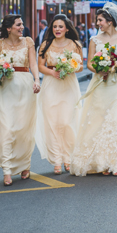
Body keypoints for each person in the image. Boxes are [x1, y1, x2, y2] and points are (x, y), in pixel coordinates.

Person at [70, 4, 117, 176]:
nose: (98, 23)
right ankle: (101, 161)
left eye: (100, 20)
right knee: (98, 119)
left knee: (115, 119)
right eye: (98, 20)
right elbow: (89, 62)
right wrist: (100, 69)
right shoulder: (95, 40)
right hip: (101, 83)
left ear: (110, 21)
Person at [0, 15, 41, 185]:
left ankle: (24, 164)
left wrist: (36, 80)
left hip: (25, 86)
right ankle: (7, 169)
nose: (22, 27)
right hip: (6, 87)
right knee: (7, 128)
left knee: (23, 128)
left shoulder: (28, 41)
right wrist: (0, 69)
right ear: (9, 28)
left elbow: (33, 63)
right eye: (18, 25)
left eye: (22, 24)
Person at [35, 15, 83, 174]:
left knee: (66, 121)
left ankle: (68, 157)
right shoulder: (45, 45)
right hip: (51, 85)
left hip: (69, 84)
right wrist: (53, 72)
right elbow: (40, 66)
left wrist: (70, 68)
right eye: (55, 26)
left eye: (60, 26)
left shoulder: (75, 44)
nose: (57, 29)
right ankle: (57, 160)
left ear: (67, 28)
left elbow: (81, 66)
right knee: (52, 122)